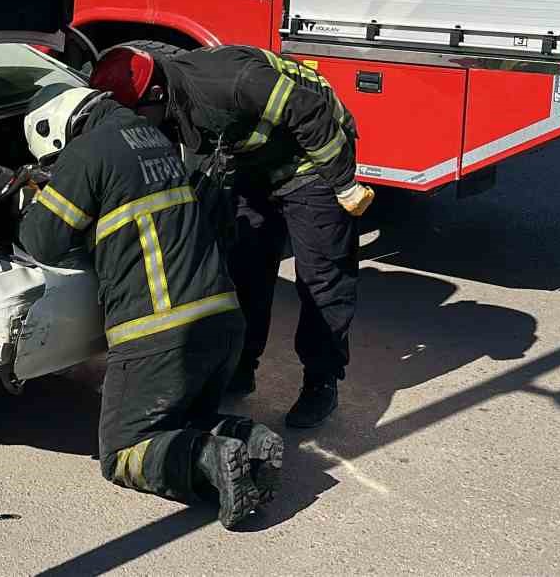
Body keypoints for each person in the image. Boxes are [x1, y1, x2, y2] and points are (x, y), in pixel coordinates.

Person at [17, 84, 283, 529]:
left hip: (159, 334)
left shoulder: (88, 152)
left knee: (124, 452)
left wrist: (33, 197)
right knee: (182, 418)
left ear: (52, 129)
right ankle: (248, 439)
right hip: (221, 322)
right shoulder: (151, 135)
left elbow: (41, 240)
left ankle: (209, 459)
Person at [90, 45, 373, 429]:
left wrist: (343, 184)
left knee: (322, 278)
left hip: (313, 163)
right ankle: (241, 367)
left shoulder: (230, 82)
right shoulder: (171, 100)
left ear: (155, 94)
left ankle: (321, 381)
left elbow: (310, 111)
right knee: (243, 270)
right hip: (255, 165)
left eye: (137, 117)